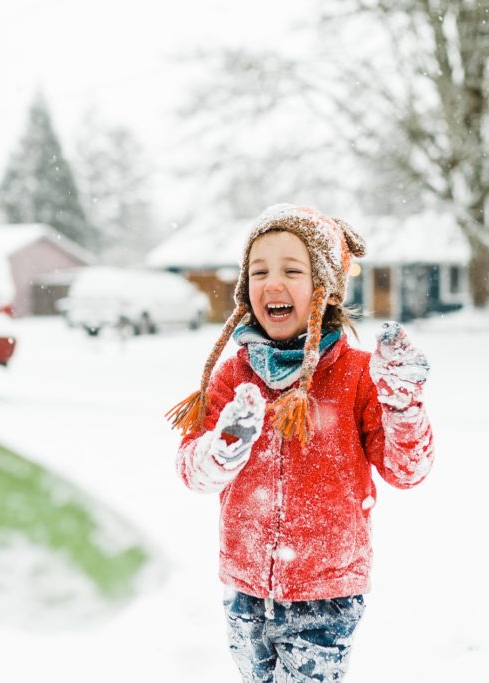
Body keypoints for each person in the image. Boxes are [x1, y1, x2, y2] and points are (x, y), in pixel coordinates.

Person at [168, 204, 435, 682]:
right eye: (259, 271)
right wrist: (222, 449)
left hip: (326, 592)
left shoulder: (357, 375)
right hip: (244, 587)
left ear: (325, 289)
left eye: (293, 270)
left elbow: (406, 470)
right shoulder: (233, 375)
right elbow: (192, 469)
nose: (273, 283)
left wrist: (402, 406)